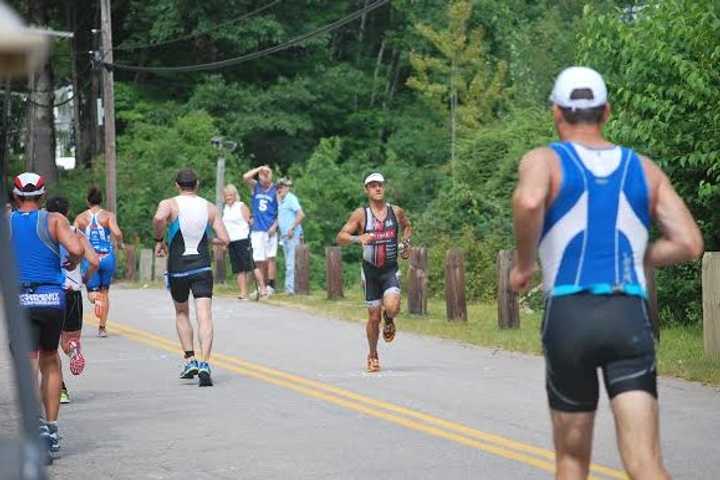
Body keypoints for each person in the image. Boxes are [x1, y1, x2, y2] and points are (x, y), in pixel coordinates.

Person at [509, 66, 703, 480]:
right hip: (626, 316)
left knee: (573, 461)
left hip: (570, 313)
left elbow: (528, 201)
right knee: (645, 463)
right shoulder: (643, 168)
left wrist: (524, 265)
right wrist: (642, 254)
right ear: (607, 112)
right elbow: (689, 243)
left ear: (556, 113)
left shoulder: (544, 159)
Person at [9, 172, 84, 457]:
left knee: (27, 363)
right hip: (52, 299)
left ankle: (35, 425)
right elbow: (76, 248)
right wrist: (72, 259)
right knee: (50, 360)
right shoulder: (54, 220)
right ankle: (51, 430)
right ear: (42, 196)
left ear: (16, 196)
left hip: (20, 299)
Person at [152, 168, 230, 387]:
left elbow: (158, 218)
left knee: (182, 312)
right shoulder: (210, 207)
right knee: (204, 315)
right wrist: (207, 239)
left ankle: (190, 359)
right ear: (197, 184)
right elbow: (225, 239)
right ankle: (205, 363)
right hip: (202, 267)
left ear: (177, 185)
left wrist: (159, 238)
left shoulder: (169, 204)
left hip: (178, 267)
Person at [336, 172, 412, 373]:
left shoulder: (396, 212)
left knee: (393, 307)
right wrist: (357, 239)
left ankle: (390, 318)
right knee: (373, 318)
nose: (377, 188)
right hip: (370, 273)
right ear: (366, 190)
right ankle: (373, 354)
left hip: (390, 270)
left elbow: (407, 227)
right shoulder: (361, 214)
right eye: (373, 186)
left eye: (380, 185)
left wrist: (405, 244)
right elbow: (341, 237)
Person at [46, 196, 99, 404]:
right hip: (73, 292)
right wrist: (85, 278)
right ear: (67, 212)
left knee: (49, 346)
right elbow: (94, 261)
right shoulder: (76, 233)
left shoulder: (45, 233)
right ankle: (74, 351)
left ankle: (60, 390)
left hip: (50, 292)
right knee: (69, 340)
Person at [73, 187, 124, 337]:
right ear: (100, 200)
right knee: (105, 292)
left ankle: (96, 300)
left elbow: (73, 235)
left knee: (92, 293)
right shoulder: (108, 216)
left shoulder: (80, 218)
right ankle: (102, 328)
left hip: (90, 258)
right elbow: (117, 233)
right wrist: (120, 243)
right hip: (107, 257)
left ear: (87, 201)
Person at [222, 184, 266, 300]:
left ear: (235, 195)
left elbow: (250, 220)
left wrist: (251, 228)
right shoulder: (225, 208)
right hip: (231, 241)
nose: (228, 198)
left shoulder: (241, 206)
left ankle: (263, 288)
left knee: (250, 265)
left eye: (230, 195)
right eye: (226, 196)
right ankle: (243, 293)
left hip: (243, 239)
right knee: (238, 269)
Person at [243, 165, 278, 295]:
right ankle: (260, 286)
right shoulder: (256, 187)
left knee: (270, 258)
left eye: (266, 174)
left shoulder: (275, 190)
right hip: (257, 228)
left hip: (270, 228)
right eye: (262, 175)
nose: (264, 176)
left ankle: (271, 285)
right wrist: (259, 169)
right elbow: (245, 177)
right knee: (258, 259)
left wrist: (275, 225)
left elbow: (281, 210)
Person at [277, 177, 305, 295]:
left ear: (287, 188)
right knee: (288, 263)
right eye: (278, 187)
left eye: (282, 186)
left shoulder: (291, 198)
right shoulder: (281, 200)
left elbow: (301, 214)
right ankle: (290, 288)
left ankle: (290, 290)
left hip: (293, 234)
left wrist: (292, 227)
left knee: (291, 263)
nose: (280, 189)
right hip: (285, 236)